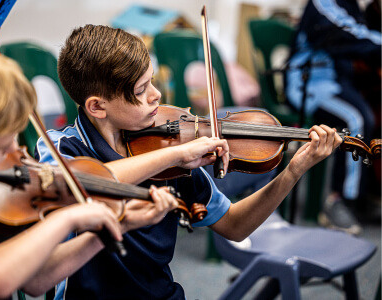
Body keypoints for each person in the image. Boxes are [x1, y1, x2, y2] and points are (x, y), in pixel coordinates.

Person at [35, 24, 342, 300]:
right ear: (97, 107)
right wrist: (178, 155)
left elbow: (234, 225)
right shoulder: (61, 147)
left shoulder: (169, 143)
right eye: (141, 90)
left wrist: (293, 171)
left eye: (152, 81)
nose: (157, 95)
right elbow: (77, 181)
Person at [0, 38, 198, 299]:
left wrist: (120, 225)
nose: (18, 153)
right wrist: (68, 218)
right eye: (1, 149)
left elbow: (36, 281)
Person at [285, 0, 381, 234]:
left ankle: (362, 195)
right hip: (311, 83)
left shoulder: (352, 4)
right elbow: (348, 33)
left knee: (373, 108)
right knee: (356, 119)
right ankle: (338, 200)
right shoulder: (322, 2)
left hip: (339, 83)